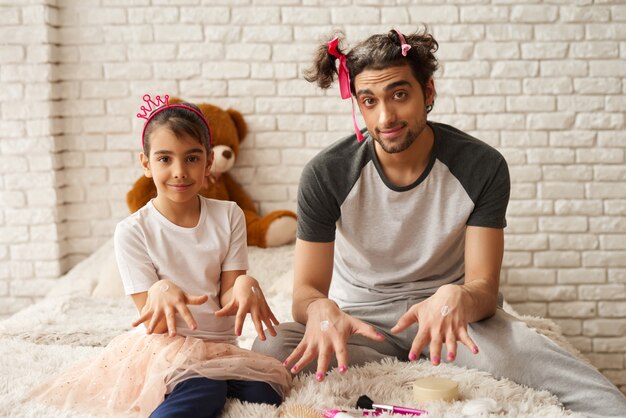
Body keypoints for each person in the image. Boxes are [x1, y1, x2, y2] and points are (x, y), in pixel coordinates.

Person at [252, 28, 626, 417]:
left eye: (399, 95)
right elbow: (306, 292)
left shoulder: (482, 165)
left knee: (581, 385)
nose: (386, 116)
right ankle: (410, 356)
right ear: (358, 106)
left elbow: (483, 286)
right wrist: (319, 310)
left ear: (428, 93)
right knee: (270, 348)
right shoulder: (326, 174)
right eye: (369, 101)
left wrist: (459, 295)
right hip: (365, 323)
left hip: (452, 319)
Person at [32, 95, 291, 418]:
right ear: (145, 163)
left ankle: (212, 383)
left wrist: (243, 284)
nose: (179, 171)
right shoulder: (132, 230)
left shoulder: (230, 215)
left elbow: (227, 292)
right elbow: (150, 314)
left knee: (267, 390)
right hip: (167, 347)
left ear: (209, 162)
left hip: (220, 347)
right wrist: (160, 288)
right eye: (165, 159)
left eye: (192, 158)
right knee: (204, 389)